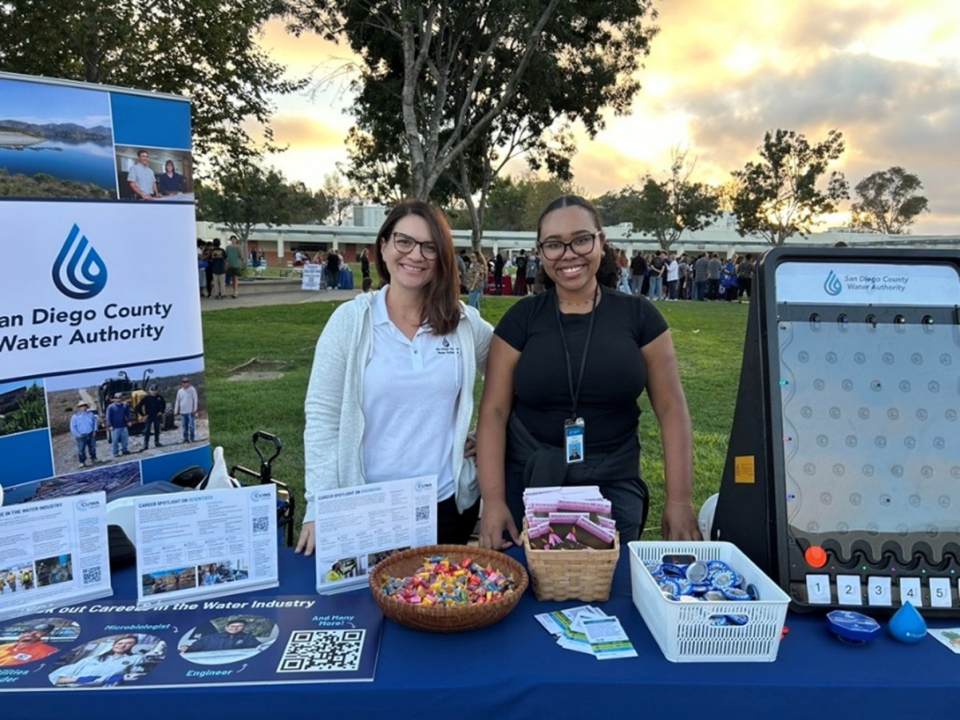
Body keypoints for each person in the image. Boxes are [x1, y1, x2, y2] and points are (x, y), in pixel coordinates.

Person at [476, 195, 700, 549]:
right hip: (531, 479)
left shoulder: (640, 316)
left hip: (612, 480)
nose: (568, 254)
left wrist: (679, 501)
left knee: (607, 589)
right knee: (529, 587)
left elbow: (672, 409)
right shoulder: (521, 319)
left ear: (601, 242)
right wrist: (492, 501)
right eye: (553, 244)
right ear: (540, 251)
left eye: (580, 239)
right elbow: (493, 411)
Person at [296, 200, 493, 556]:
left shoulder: (463, 324)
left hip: (445, 509)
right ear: (383, 246)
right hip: (367, 507)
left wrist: (489, 434)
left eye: (429, 246)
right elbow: (323, 418)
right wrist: (318, 506)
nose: (415, 255)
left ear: (441, 256)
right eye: (404, 241)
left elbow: (512, 374)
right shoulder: (351, 322)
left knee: (442, 609)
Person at [49, 635, 144, 687]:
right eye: (120, 643)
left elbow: (136, 676)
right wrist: (78, 679)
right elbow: (57, 679)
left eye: (128, 644)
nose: (122, 646)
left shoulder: (135, 659)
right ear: (114, 645)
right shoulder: (92, 659)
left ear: (133, 646)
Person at [178, 620, 260, 653]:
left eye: (239, 626)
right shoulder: (209, 638)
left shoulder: (248, 638)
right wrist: (187, 648)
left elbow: (258, 649)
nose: (235, 628)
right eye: (232, 626)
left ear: (243, 628)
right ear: (226, 627)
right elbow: (194, 648)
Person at [135, 384, 166, 451]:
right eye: (152, 390)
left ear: (157, 390)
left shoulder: (159, 398)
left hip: (156, 416)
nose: (154, 391)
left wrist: (161, 411)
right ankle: (145, 444)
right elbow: (138, 407)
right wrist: (143, 415)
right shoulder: (146, 398)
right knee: (147, 430)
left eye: (155, 390)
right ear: (149, 390)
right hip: (148, 416)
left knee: (157, 429)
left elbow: (164, 404)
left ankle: (157, 442)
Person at [69, 400, 99, 468]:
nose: (83, 407)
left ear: (86, 406)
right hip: (81, 436)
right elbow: (73, 427)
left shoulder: (90, 414)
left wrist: (94, 431)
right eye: (81, 406)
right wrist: (77, 434)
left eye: (84, 405)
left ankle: (94, 458)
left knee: (92, 448)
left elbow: (95, 423)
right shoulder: (75, 416)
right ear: (79, 408)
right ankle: (82, 462)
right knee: (81, 450)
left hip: (91, 434)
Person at [105, 393, 132, 457]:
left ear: (121, 398)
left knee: (125, 439)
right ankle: (115, 452)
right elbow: (108, 417)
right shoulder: (110, 407)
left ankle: (124, 450)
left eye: (119, 398)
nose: (118, 399)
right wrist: (110, 425)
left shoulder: (125, 405)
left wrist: (129, 421)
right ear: (114, 399)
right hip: (114, 427)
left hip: (123, 425)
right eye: (116, 398)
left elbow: (128, 414)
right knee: (114, 441)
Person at [175, 377, 199, 443]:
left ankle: (192, 437)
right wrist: (176, 410)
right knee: (184, 426)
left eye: (187, 381)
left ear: (189, 382)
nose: (185, 383)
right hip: (182, 412)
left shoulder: (192, 389)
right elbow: (177, 401)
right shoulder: (180, 391)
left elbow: (195, 399)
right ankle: (185, 438)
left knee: (191, 425)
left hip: (190, 411)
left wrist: (195, 408)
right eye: (184, 382)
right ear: (182, 383)